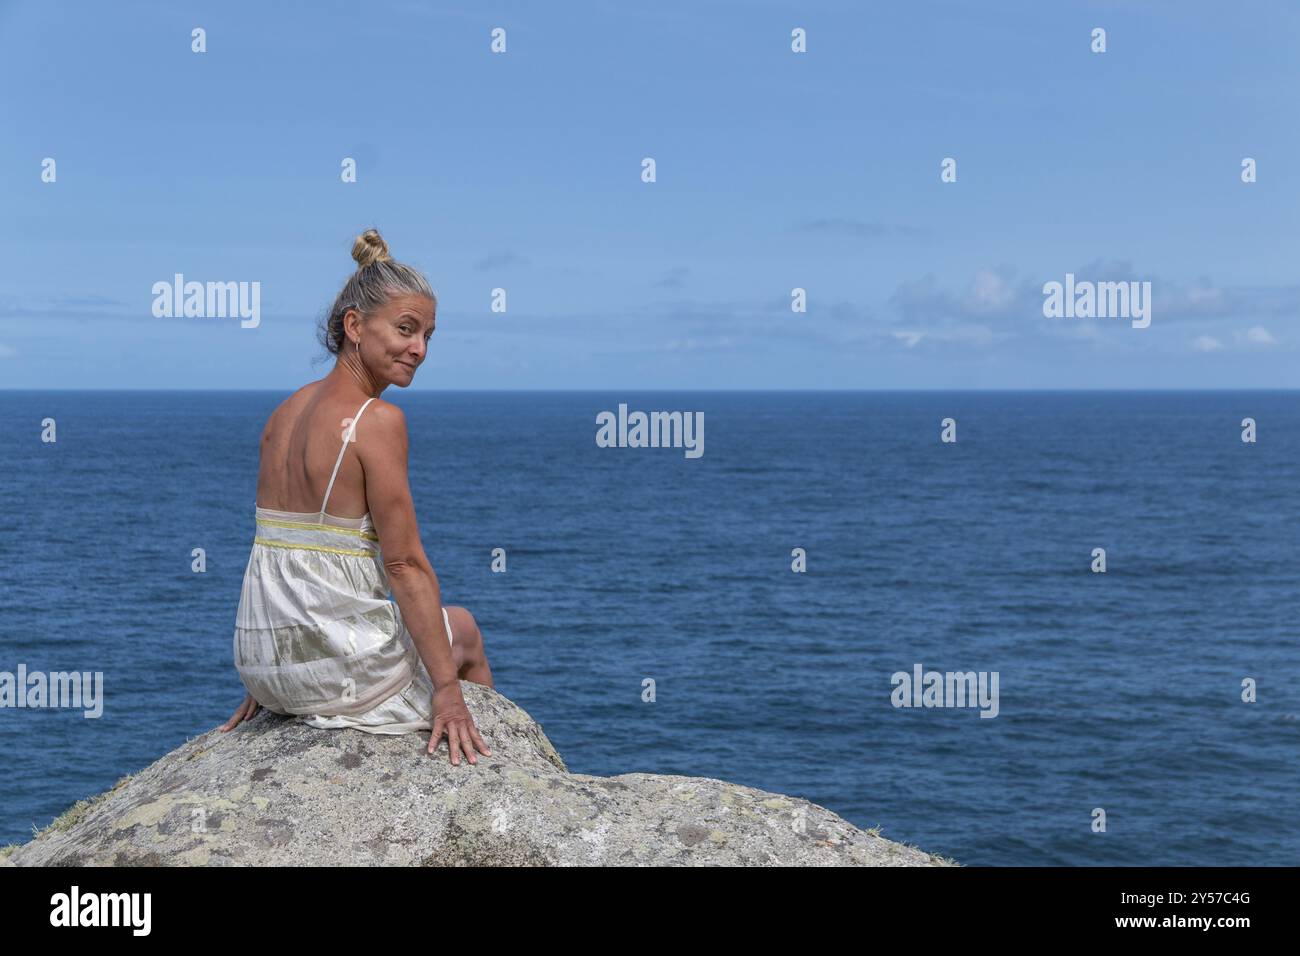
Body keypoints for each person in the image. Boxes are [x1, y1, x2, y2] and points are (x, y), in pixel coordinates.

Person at [218, 228, 492, 766]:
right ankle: (492, 765)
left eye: (428, 336)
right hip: (328, 665)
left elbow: (279, 551)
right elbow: (404, 564)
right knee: (464, 629)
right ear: (354, 327)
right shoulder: (377, 421)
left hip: (262, 664)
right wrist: (445, 690)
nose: (419, 348)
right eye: (406, 329)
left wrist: (281, 659)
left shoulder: (283, 413)